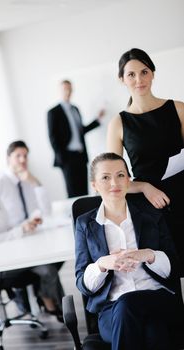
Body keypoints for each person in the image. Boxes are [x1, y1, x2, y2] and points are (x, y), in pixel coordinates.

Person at [75, 152, 184, 350]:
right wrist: (102, 264)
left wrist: (149, 255)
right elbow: (83, 284)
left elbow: (175, 267)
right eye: (105, 177)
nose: (114, 183)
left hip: (157, 297)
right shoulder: (85, 224)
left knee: (129, 305)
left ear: (128, 180)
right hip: (112, 311)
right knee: (152, 329)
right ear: (94, 185)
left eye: (120, 175)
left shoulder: (151, 214)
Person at [106, 48, 184, 272]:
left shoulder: (178, 109)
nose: (139, 79)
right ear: (122, 79)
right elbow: (113, 180)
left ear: (152, 74)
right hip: (151, 206)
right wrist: (144, 187)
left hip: (183, 192)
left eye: (144, 72)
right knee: (167, 270)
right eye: (131, 74)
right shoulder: (118, 123)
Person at [0, 158, 64, 322]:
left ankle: (55, 304)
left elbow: (6, 227)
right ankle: (53, 305)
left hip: (7, 254)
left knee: (48, 266)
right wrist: (20, 230)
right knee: (46, 268)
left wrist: (26, 224)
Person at [0, 140, 64, 316]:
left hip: (29, 237)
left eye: (25, 156)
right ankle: (55, 306)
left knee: (57, 255)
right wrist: (17, 228)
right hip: (11, 242)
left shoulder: (26, 179)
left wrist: (34, 182)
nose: (23, 160)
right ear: (8, 158)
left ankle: (50, 300)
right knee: (48, 268)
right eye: (18, 156)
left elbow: (46, 210)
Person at [47, 79, 105, 197]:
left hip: (81, 156)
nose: (68, 91)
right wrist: (62, 158)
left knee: (84, 191)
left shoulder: (75, 109)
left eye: (70, 89)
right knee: (73, 192)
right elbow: (53, 137)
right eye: (65, 88)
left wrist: (97, 120)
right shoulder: (53, 112)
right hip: (67, 158)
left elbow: (80, 131)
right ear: (60, 91)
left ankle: (84, 215)